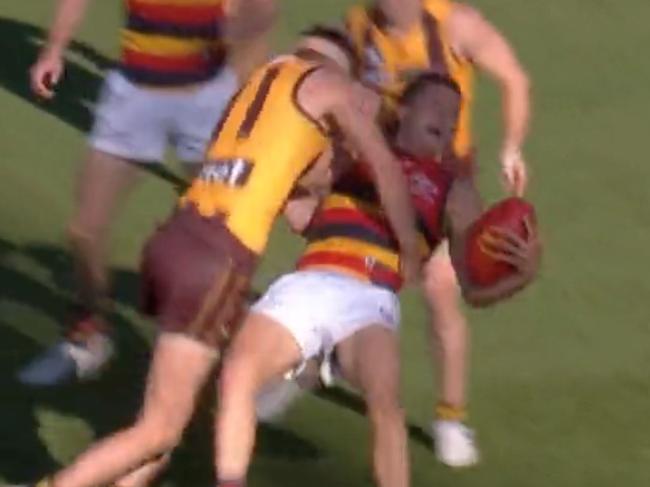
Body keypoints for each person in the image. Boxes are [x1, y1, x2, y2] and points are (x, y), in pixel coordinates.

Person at [25, 27, 421, 487]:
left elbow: (294, 208)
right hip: (217, 259)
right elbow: (386, 168)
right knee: (159, 429)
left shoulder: (259, 86)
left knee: (169, 423)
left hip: (176, 238)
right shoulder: (330, 86)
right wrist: (408, 248)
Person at [216, 74, 541, 487]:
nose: (447, 118)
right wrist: (285, 185)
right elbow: (305, 216)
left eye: (455, 115)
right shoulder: (354, 155)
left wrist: (523, 275)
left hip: (368, 298)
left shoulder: (455, 191)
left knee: (386, 405)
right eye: (437, 106)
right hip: (310, 279)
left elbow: (474, 291)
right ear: (403, 109)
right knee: (237, 374)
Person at [19, 0, 277, 386]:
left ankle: (265, 345)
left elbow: (256, 19)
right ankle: (89, 334)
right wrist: (54, 51)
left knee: (221, 233)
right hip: (134, 95)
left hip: (206, 101)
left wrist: (251, 104)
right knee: (84, 230)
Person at [345, 0, 532, 465]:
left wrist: (511, 148)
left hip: (446, 186)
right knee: (343, 276)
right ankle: (313, 366)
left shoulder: (456, 25)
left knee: (441, 287)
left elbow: (514, 77)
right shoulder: (359, 24)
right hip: (382, 176)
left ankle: (451, 417)